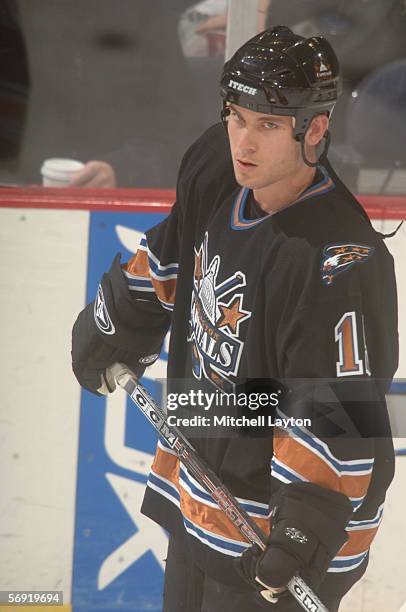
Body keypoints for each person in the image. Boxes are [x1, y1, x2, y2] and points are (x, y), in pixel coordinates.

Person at [71, 26, 398, 611]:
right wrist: (115, 315)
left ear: (315, 131)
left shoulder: (335, 262)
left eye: (268, 125)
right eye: (236, 116)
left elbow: (340, 409)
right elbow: (174, 252)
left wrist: (302, 530)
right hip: (204, 484)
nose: (243, 141)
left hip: (280, 526)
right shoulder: (216, 166)